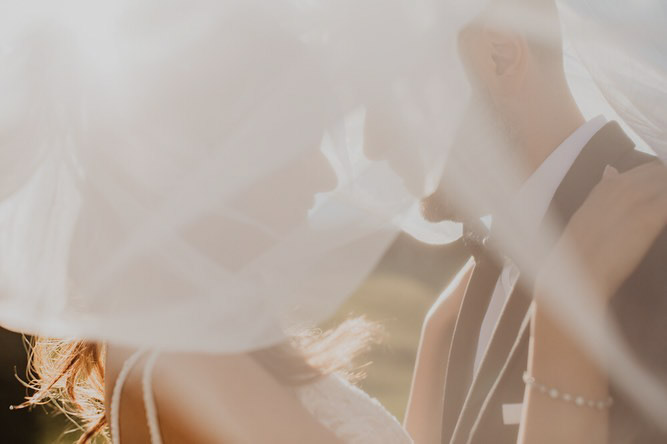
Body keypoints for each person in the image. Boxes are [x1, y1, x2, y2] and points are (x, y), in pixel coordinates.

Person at [402, 0, 667, 443]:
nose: (371, 144)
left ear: (500, 57)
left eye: (389, 97)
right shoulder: (473, 288)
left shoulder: (653, 243)